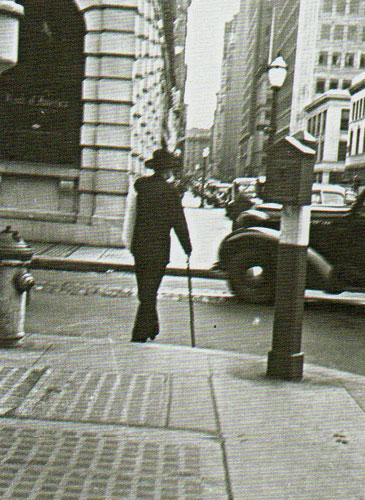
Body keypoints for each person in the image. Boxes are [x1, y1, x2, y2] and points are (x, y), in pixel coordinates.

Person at [130, 148, 192, 343]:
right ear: (167, 171)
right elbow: (178, 222)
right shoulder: (170, 193)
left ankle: (150, 326)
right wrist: (187, 247)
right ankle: (140, 333)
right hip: (159, 248)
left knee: (144, 290)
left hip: (140, 246)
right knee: (151, 290)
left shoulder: (142, 187)